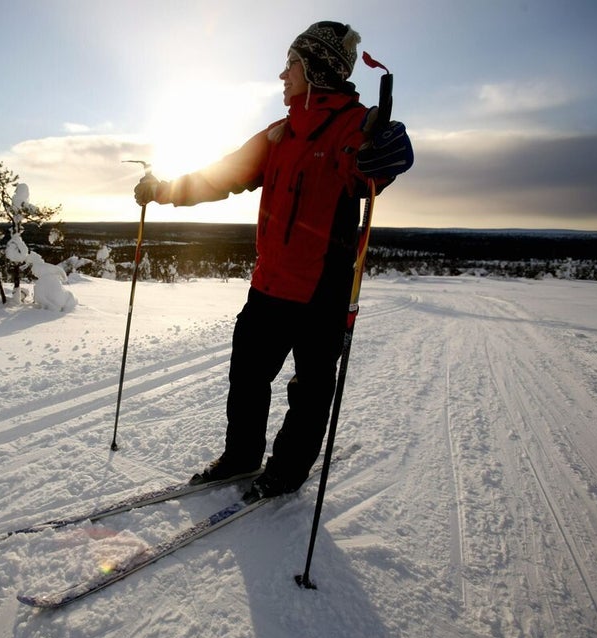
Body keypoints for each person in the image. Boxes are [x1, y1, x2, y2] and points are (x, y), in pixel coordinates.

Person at [134, 21, 414, 502]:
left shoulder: (356, 125)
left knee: (309, 390)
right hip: (268, 285)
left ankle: (287, 469)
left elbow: (374, 165)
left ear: (316, 70)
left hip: (322, 291)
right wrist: (162, 190)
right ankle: (241, 457)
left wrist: (391, 154)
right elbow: (219, 176)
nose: (282, 74)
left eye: (291, 64)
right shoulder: (277, 134)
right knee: (246, 377)